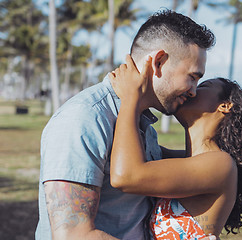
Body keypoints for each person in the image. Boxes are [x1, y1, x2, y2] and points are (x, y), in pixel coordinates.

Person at [35, 10, 215, 240]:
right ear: (159, 62)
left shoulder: (142, 124)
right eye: (192, 76)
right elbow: (74, 235)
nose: (194, 91)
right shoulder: (85, 118)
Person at [108, 55, 242, 239]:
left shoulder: (220, 164)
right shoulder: (184, 161)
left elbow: (126, 176)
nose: (191, 91)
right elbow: (128, 151)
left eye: (203, 87)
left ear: (224, 106)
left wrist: (131, 97)